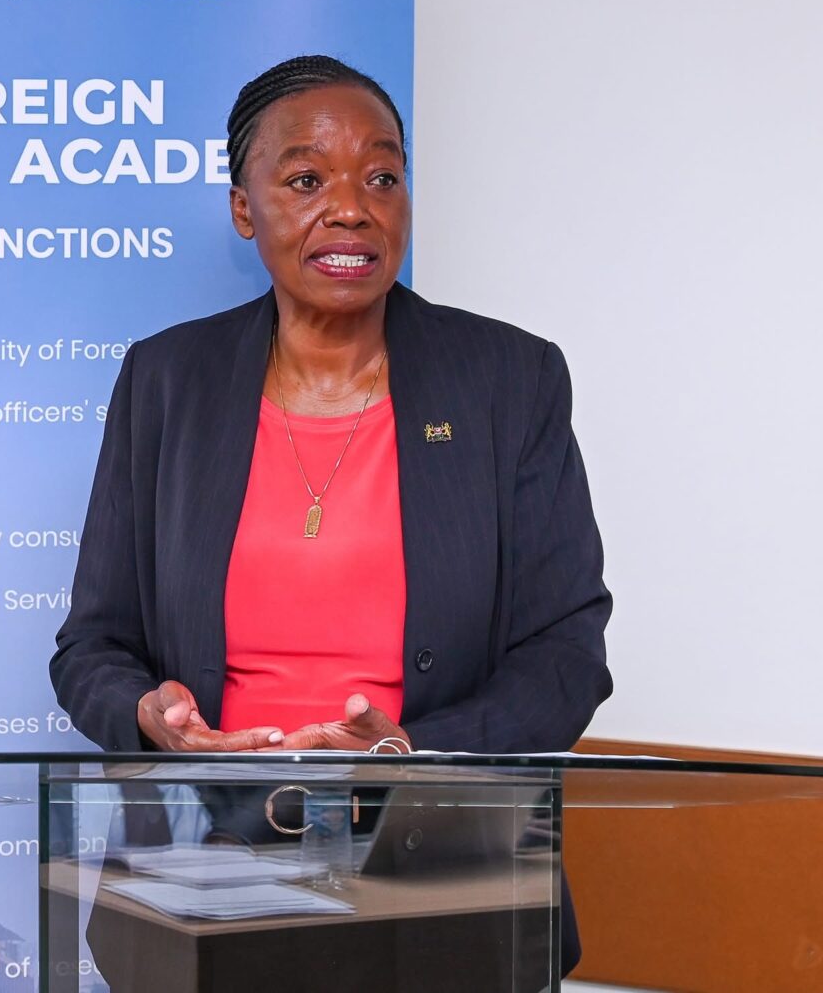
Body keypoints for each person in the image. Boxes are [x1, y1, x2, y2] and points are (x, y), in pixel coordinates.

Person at [50, 54, 613, 979]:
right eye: (307, 180)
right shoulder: (168, 381)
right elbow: (92, 647)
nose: (351, 208)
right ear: (244, 210)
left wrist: (412, 753)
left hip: (444, 888)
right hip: (205, 880)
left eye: (381, 178)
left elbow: (565, 653)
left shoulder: (508, 380)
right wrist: (150, 716)